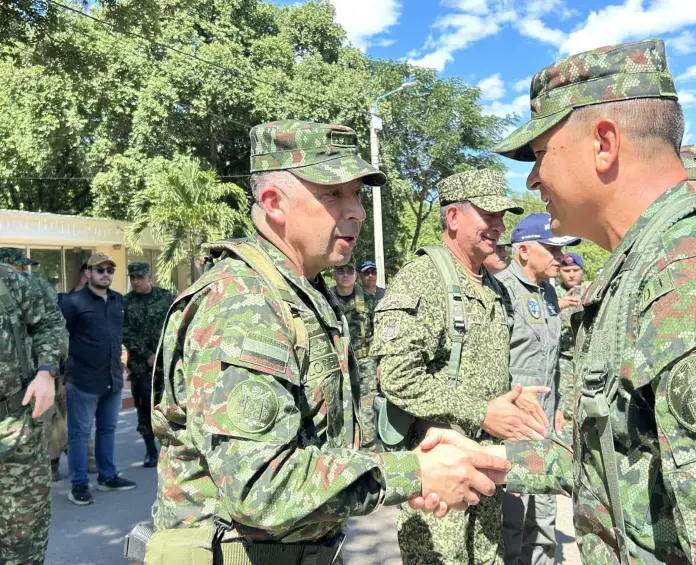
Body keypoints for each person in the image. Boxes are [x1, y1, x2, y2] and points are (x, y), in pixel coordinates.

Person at [146, 120, 513, 564]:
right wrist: (413, 474)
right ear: (273, 202)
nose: (356, 210)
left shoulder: (303, 292)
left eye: (357, 194)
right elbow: (262, 486)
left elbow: (321, 444)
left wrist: (424, 458)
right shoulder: (243, 303)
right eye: (333, 194)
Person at [480, 37, 696, 563]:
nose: (532, 177)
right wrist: (497, 461)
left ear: (604, 143)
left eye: (540, 153)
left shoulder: (692, 276)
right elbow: (626, 464)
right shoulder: (647, 268)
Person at [371, 168, 548, 565]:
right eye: (488, 216)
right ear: (453, 218)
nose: (499, 226)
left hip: (483, 474)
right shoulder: (423, 279)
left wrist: (511, 403)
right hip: (438, 478)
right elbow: (396, 377)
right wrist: (482, 411)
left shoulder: (495, 287)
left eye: (503, 217)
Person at [497, 213, 579, 565]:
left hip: (544, 417)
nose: (560, 257)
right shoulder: (500, 289)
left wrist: (558, 404)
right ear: (524, 251)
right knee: (513, 507)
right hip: (513, 419)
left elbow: (553, 353)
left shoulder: (548, 291)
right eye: (552, 249)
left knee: (545, 499)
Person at [0, 260, 66, 565]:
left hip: (16, 431)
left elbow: (50, 321)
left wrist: (46, 372)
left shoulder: (9, 281)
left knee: (23, 537)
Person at [60, 252, 136, 506]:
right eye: (100, 270)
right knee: (79, 435)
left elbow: (117, 335)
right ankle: (79, 485)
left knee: (107, 429)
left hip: (112, 378)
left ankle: (107, 476)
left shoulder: (117, 300)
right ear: (88, 273)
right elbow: (57, 336)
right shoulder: (73, 302)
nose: (106, 274)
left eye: (110, 270)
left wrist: (121, 361)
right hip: (81, 380)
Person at [0, 248, 70, 482]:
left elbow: (50, 322)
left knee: (56, 422)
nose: (24, 270)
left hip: (16, 417)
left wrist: (46, 372)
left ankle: (55, 463)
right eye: (21, 266)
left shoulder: (14, 283)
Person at [122, 262, 174, 467]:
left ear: (149, 277)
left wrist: (161, 355)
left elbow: (173, 325)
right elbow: (125, 331)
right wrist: (146, 355)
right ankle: (150, 449)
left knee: (169, 406)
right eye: (132, 278)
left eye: (139, 277)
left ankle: (171, 448)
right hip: (140, 367)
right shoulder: (126, 302)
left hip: (165, 363)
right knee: (144, 407)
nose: (135, 281)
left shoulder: (165, 297)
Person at [331, 260, 379, 449]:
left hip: (364, 362)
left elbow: (379, 333)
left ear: (355, 275)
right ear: (334, 274)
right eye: (340, 270)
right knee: (338, 406)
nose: (345, 274)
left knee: (366, 408)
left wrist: (380, 363)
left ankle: (367, 450)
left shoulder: (368, 300)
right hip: (337, 362)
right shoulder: (325, 300)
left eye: (349, 270)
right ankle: (342, 450)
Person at [555, 251, 586, 443]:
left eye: (576, 270)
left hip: (583, 360)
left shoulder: (591, 291)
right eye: (566, 270)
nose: (571, 275)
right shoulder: (551, 293)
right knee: (564, 407)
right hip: (562, 360)